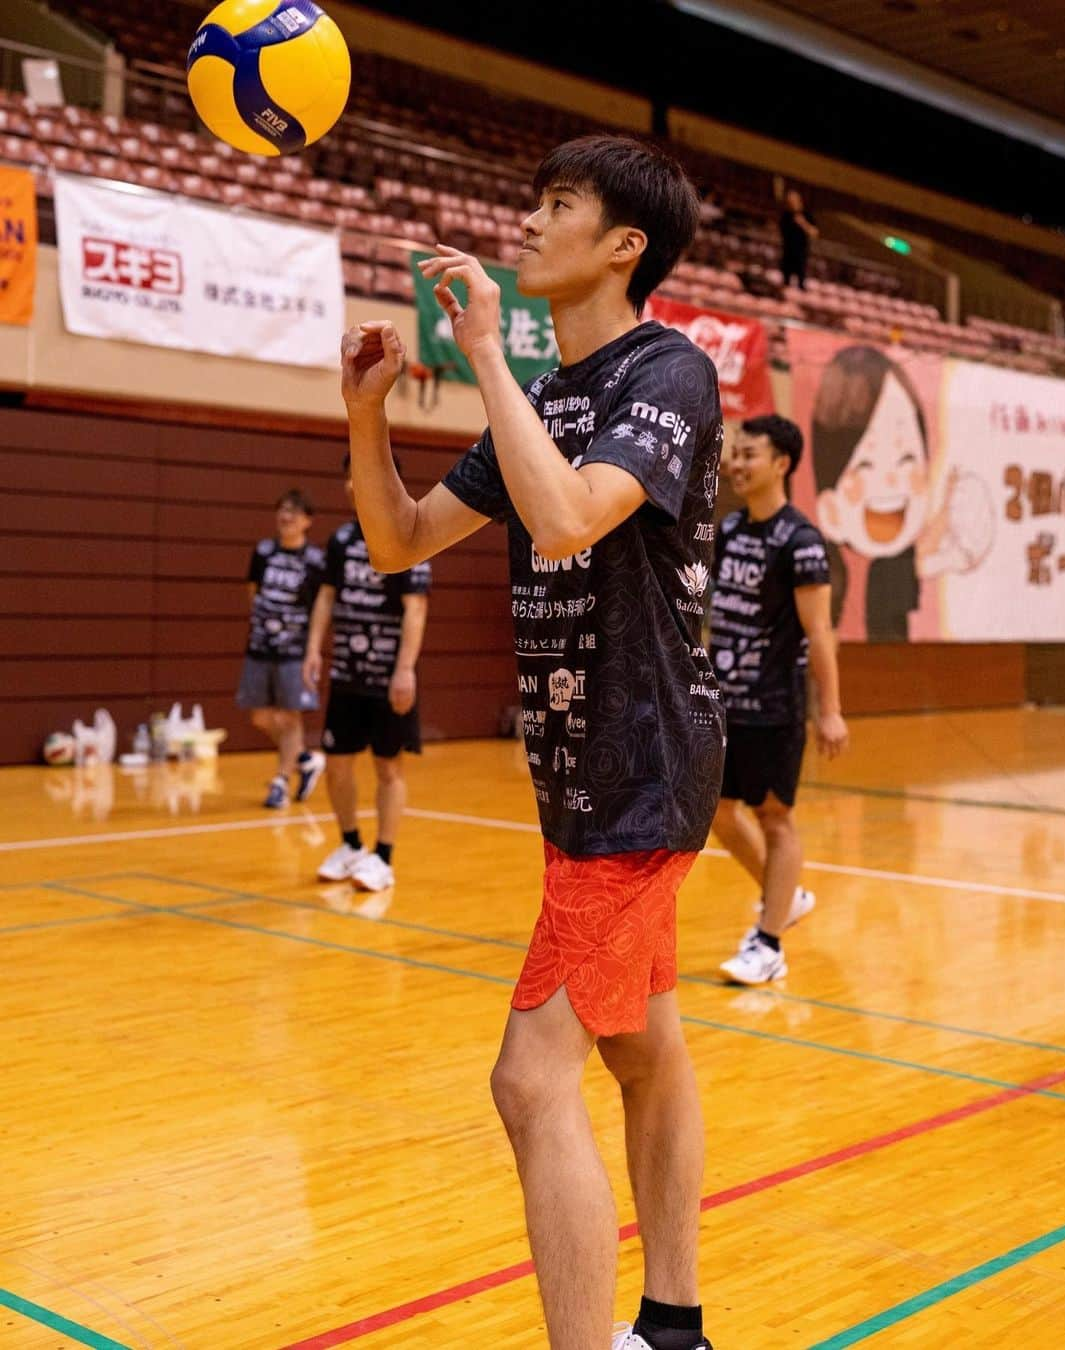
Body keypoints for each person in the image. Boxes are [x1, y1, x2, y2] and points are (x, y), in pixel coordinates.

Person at [340, 136, 725, 1350]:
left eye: (559, 204)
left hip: (644, 767)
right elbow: (400, 538)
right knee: (642, 1056)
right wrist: (367, 419)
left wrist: (490, 357)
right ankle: (675, 1326)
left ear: (623, 246)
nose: (530, 219)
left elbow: (565, 518)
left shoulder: (668, 373)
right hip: (580, 779)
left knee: (528, 1079)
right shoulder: (546, 399)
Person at [708, 415, 848, 984]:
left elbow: (820, 633)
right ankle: (782, 899)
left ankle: (768, 944)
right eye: (735, 454)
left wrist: (831, 710)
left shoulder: (802, 542)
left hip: (774, 704)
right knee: (717, 812)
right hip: (724, 700)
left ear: (782, 464)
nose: (738, 464)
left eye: (750, 455)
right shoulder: (730, 530)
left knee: (775, 818)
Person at [302, 452, 431, 892]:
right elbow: (325, 597)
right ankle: (352, 845)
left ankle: (384, 857)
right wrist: (313, 651)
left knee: (388, 768)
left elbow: (416, 610)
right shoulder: (340, 542)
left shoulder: (407, 533)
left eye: (362, 473)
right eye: (349, 476)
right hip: (346, 676)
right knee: (337, 765)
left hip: (386, 677)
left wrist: (404, 672)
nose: (353, 484)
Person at [810, 344, 961, 641]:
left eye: (907, 458)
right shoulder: (824, 569)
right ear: (829, 509)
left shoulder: (895, 564)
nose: (891, 479)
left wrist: (948, 503)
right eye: (865, 464)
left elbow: (928, 547)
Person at [236, 488, 326, 809]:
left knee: (289, 718)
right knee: (260, 716)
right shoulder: (263, 552)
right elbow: (252, 592)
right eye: (282, 510)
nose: (285, 516)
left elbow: (321, 607)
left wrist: (312, 650)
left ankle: (281, 783)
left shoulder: (316, 562)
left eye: (293, 511)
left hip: (295, 650)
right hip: (261, 646)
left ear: (307, 521)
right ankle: (304, 758)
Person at [778, 188, 818, 290]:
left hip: (801, 252)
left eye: (794, 200)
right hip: (788, 251)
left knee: (801, 281)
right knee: (786, 280)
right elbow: (782, 232)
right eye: (789, 201)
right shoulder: (786, 216)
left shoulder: (807, 215)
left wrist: (803, 223)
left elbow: (814, 233)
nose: (792, 203)